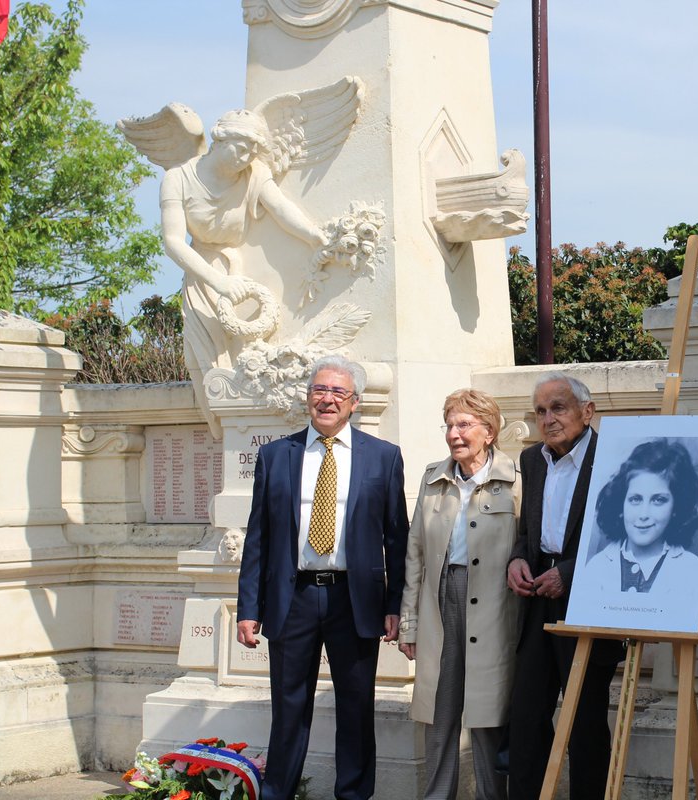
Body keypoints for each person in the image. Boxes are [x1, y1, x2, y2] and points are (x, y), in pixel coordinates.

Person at [236, 355, 409, 800]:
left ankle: (353, 794)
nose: (327, 399)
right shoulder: (276, 455)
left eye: (338, 393)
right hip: (293, 598)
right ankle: (278, 792)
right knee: (289, 708)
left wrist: (395, 606)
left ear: (354, 403)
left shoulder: (384, 458)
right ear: (308, 398)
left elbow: (398, 539)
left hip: (355, 600)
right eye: (319, 390)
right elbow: (258, 538)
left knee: (356, 708)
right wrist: (248, 609)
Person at [160, 109, 329, 414]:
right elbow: (173, 242)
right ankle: (224, 436)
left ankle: (249, 429)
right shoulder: (178, 179)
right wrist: (219, 282)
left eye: (253, 149)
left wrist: (314, 236)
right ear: (220, 139)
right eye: (241, 147)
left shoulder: (255, 173)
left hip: (247, 272)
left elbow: (280, 207)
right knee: (202, 361)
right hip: (204, 275)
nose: (246, 156)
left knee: (246, 361)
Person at [398, 389, 521, 800]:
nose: (454, 433)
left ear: (489, 431)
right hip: (440, 601)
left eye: (464, 424)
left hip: (495, 606)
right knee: (439, 711)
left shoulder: (515, 480)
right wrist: (409, 623)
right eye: (449, 425)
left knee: (489, 715)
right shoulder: (433, 477)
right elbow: (415, 552)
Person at [505, 373, 624, 800]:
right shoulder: (532, 460)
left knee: (586, 720)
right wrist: (518, 557)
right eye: (540, 411)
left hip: (590, 601)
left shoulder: (614, 458)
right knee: (526, 715)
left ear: (586, 411)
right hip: (538, 598)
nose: (548, 419)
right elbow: (529, 527)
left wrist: (568, 574)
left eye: (558, 408)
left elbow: (623, 536)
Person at [581, 439, 698, 594]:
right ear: (621, 504)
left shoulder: (692, 570)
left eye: (658, 500)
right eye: (635, 499)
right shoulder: (596, 568)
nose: (644, 514)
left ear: (676, 508)